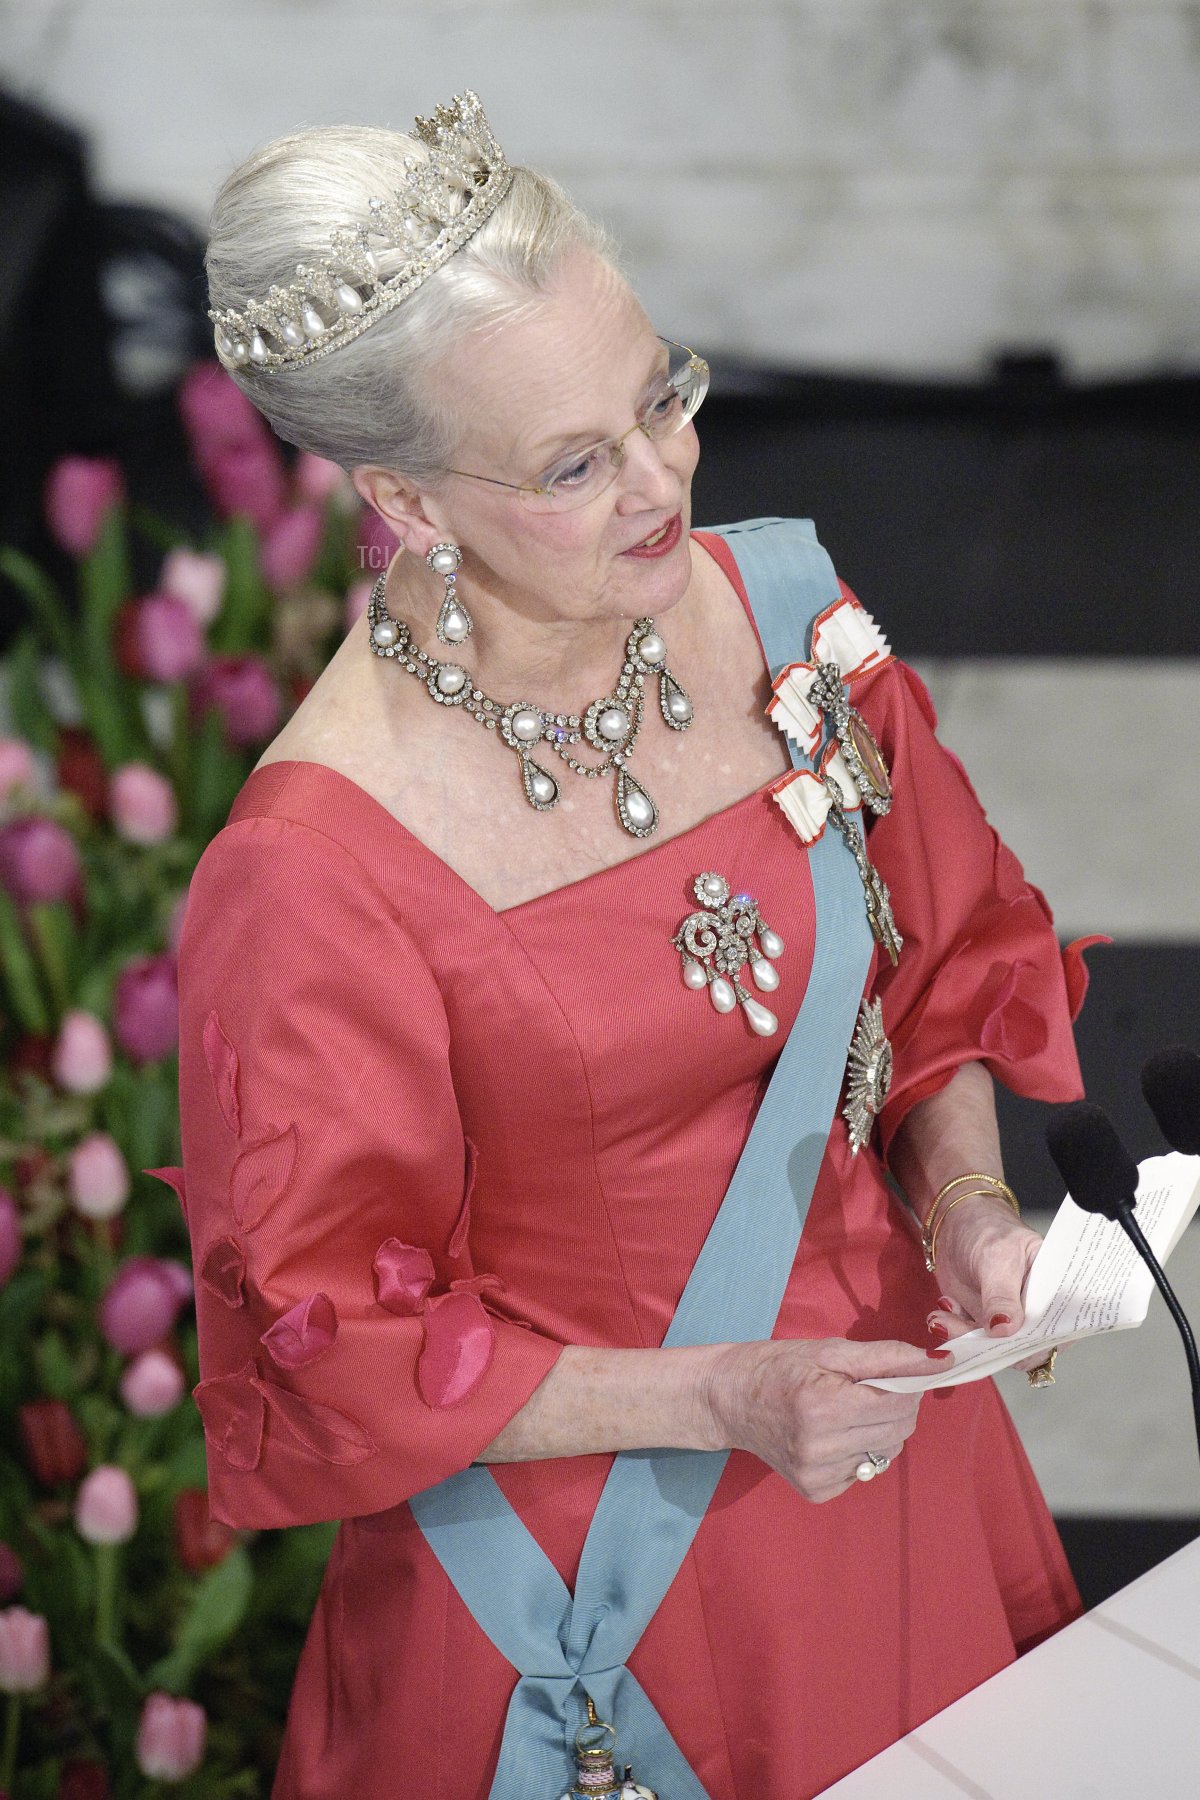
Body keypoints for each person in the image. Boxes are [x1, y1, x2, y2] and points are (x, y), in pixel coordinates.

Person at [178, 91, 1096, 1800]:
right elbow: (330, 1340)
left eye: (660, 392)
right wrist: (731, 1393)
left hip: (894, 1447)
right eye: (572, 467)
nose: (666, 482)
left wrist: (965, 1205)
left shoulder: (786, 615)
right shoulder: (316, 874)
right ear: (404, 499)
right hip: (600, 1566)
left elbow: (941, 956)